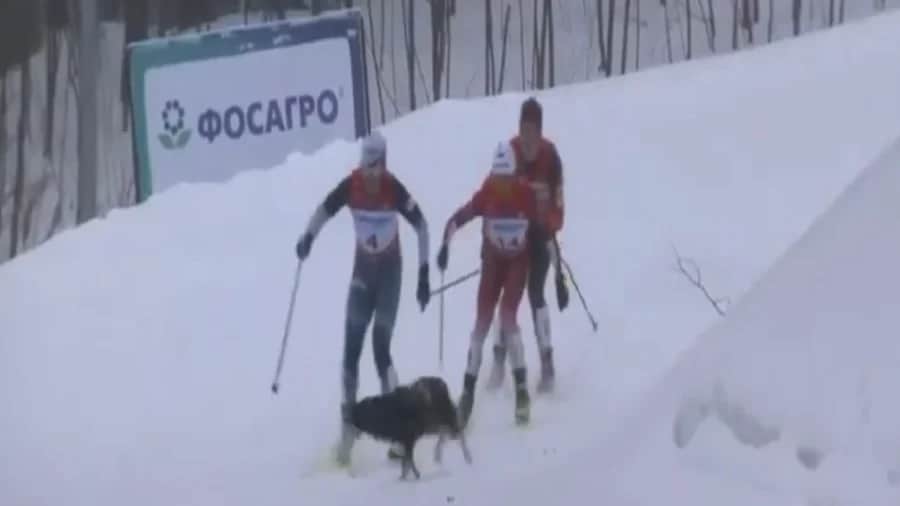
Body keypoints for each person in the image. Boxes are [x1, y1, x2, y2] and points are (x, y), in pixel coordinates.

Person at [294, 130, 432, 466]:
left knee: (380, 345)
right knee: (351, 349)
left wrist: (424, 274)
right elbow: (325, 209)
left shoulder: (393, 188)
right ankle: (348, 428)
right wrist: (308, 237)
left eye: (376, 169)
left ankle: (400, 429)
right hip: (362, 274)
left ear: (384, 166)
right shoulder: (351, 184)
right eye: (367, 168)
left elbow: (422, 225)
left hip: (390, 274)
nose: (371, 176)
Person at [436, 140, 559, 427]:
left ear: (514, 175)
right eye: (498, 177)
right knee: (481, 322)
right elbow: (458, 218)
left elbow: (546, 233)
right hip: (493, 263)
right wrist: (445, 244)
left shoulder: (525, 195)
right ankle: (467, 394)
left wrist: (558, 275)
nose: (502, 184)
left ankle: (520, 391)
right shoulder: (488, 192)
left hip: (517, 262)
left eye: (507, 178)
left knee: (507, 317)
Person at [486, 97, 569, 395]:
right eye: (524, 130)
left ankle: (547, 363)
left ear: (540, 130)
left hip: (540, 234)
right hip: (512, 235)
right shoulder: (509, 153)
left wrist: (550, 224)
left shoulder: (551, 157)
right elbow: (492, 197)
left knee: (536, 293)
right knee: (506, 298)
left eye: (533, 131)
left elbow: (559, 206)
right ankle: (498, 361)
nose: (528, 138)